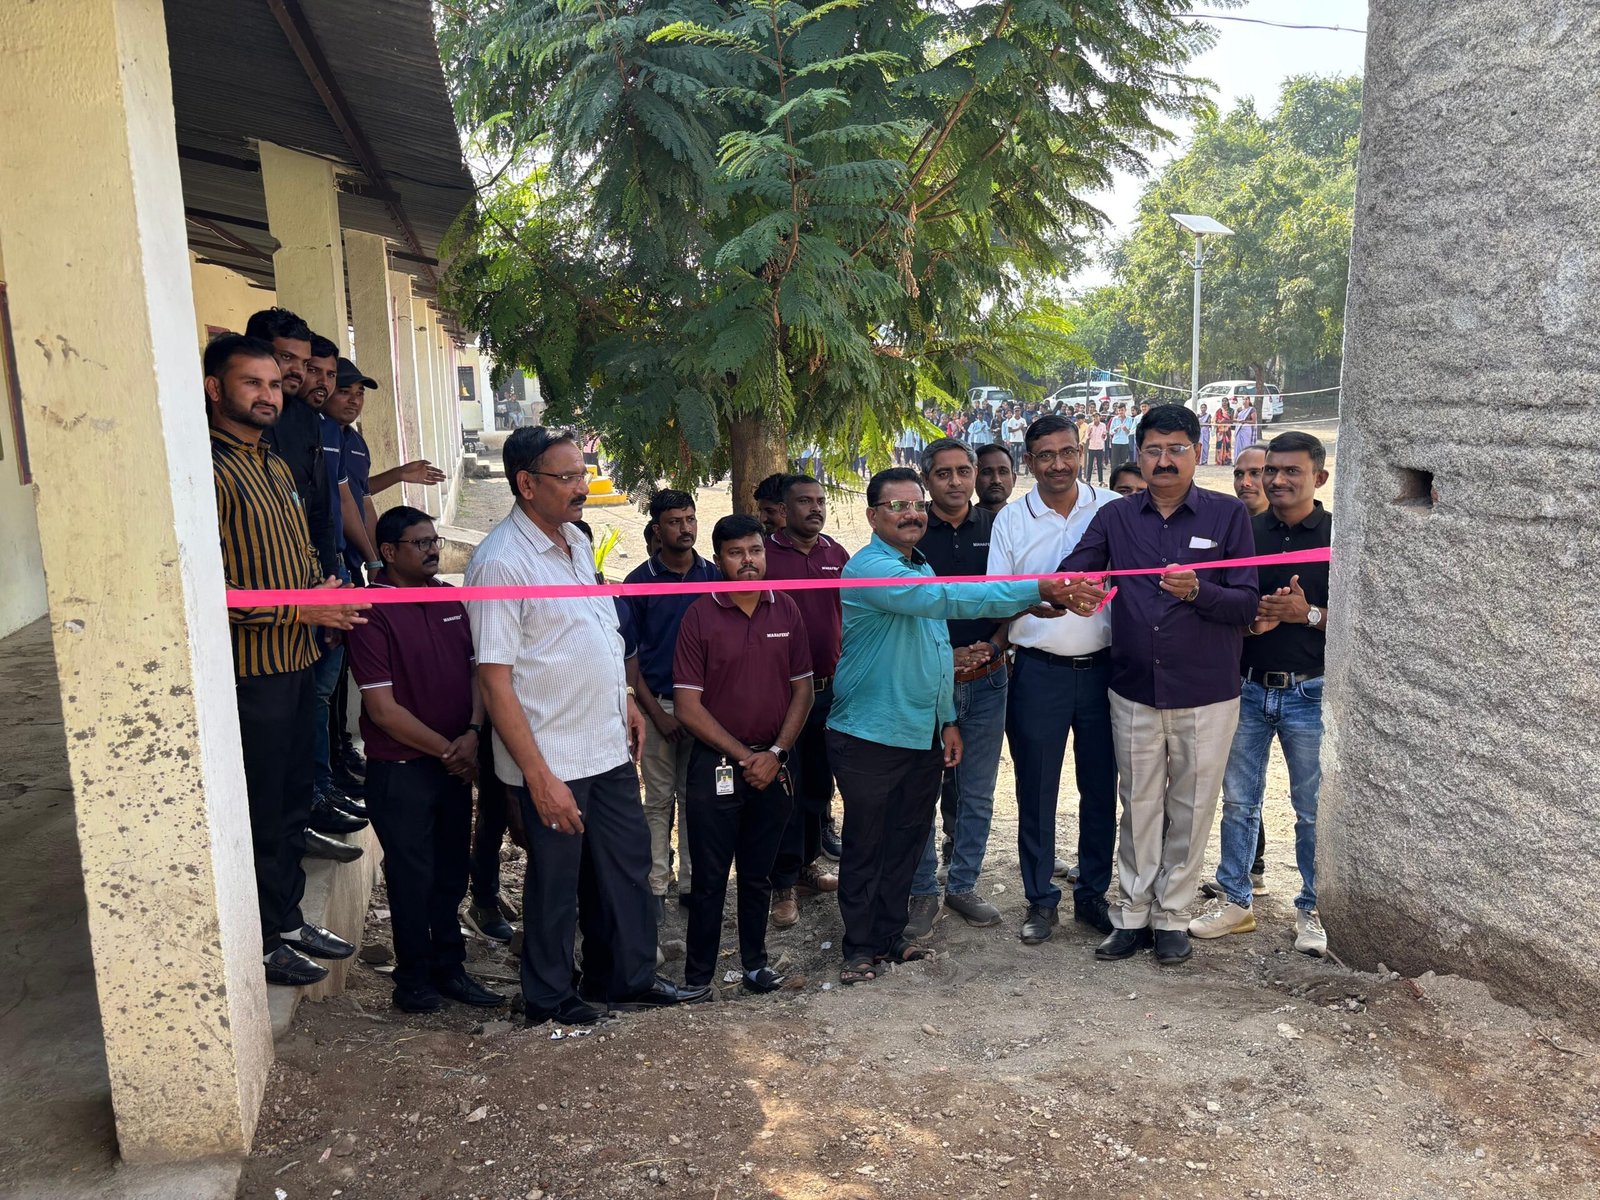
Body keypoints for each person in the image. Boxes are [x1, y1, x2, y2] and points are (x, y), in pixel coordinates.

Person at [466, 427, 692, 1024]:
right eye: (567, 477)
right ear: (526, 484)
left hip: (608, 742)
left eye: (582, 472)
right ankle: (547, 996)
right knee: (556, 885)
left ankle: (626, 979)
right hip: (551, 754)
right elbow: (496, 679)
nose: (582, 487)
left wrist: (627, 702)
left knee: (624, 869)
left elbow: (595, 634)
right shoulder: (499, 562)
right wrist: (538, 777)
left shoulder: (572, 540)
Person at [826, 469, 1078, 985]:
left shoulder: (915, 564)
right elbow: (942, 600)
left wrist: (946, 722)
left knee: (906, 837)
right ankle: (858, 949)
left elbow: (935, 651)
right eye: (896, 507)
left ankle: (891, 936)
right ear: (872, 516)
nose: (911, 514)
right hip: (869, 732)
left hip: (921, 729)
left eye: (915, 505)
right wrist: (1037, 586)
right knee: (867, 842)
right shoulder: (872, 568)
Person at [1058, 405, 1258, 966]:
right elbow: (1080, 565)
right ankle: (1131, 917)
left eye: (1176, 448)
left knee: (1192, 807)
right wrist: (1075, 584)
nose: (1164, 460)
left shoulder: (1227, 517)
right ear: (1137, 453)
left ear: (1197, 452)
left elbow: (1245, 601)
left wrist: (1200, 591)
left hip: (1207, 691)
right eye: (1152, 449)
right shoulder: (1117, 517)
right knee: (1138, 805)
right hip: (1134, 688)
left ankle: (1173, 917)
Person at [207, 333, 371, 987]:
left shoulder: (273, 464)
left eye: (275, 384)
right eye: (252, 383)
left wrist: (322, 596)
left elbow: (300, 552)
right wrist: (297, 611)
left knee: (296, 798)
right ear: (217, 389)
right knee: (264, 811)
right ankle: (265, 937)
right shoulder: (210, 472)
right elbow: (205, 591)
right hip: (253, 672)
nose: (268, 395)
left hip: (299, 658)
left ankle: (288, 918)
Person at [345, 506, 506, 1012]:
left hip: (456, 764)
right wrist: (449, 749)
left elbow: (477, 673)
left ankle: (450, 968)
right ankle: (411, 980)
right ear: (389, 552)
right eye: (419, 543)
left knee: (451, 872)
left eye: (434, 540)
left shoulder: (450, 599)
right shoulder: (371, 610)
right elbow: (383, 710)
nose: (433, 549)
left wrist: (474, 734)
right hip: (402, 771)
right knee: (412, 878)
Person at [1190, 432, 1331, 956]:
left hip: (1312, 695)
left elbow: (1366, 625)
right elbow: (1228, 612)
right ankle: (1235, 900)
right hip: (1247, 691)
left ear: (1318, 477)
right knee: (1239, 804)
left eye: (1290, 471)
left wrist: (1307, 614)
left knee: (1313, 810)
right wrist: (1251, 627)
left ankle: (1315, 909)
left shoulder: (1342, 534)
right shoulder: (1245, 534)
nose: (1276, 480)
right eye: (1271, 470)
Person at [673, 515, 815, 997]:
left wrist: (775, 753)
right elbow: (688, 707)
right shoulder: (699, 615)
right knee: (710, 879)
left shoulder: (787, 611)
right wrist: (743, 756)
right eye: (736, 553)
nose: (748, 561)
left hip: (774, 767)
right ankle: (697, 979)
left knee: (758, 874)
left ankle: (755, 966)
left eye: (755, 551)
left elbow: (803, 692)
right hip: (715, 766)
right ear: (720, 560)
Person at [990, 415, 1119, 943]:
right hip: (1038, 673)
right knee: (1036, 790)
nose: (1059, 464)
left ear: (1082, 452)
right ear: (1030, 462)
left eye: (1068, 452)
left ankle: (1092, 894)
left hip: (1108, 673)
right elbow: (997, 595)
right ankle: (1040, 899)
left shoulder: (1112, 508)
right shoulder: (1012, 520)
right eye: (1046, 455)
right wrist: (1045, 599)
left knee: (1100, 787)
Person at [904, 440, 1016, 935]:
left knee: (977, 791)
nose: (956, 481)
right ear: (927, 479)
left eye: (964, 471)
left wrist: (993, 646)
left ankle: (964, 883)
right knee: (922, 787)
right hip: (925, 682)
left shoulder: (1000, 528)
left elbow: (1015, 596)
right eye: (944, 473)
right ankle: (924, 890)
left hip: (989, 676)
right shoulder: (910, 533)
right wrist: (942, 658)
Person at [622, 490, 722, 922]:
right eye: (675, 521)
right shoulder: (637, 583)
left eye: (690, 519)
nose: (685, 528)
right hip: (656, 707)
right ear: (657, 529)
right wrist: (657, 715)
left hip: (707, 712)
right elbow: (630, 658)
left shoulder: (716, 577)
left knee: (698, 799)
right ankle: (656, 887)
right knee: (659, 800)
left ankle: (693, 886)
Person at [763, 474, 846, 922]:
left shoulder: (837, 554)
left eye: (820, 501)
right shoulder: (765, 555)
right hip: (781, 697)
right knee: (784, 789)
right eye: (804, 502)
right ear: (785, 507)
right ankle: (781, 885)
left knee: (818, 786)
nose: (815, 509)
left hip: (829, 693)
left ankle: (807, 866)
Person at [244, 308, 339, 580]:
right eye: (286, 357)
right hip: (250, 585)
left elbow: (320, 509)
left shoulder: (308, 421)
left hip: (305, 577)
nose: (297, 370)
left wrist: (331, 576)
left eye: (304, 362)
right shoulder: (224, 420)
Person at [975, 443, 1017, 514]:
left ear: (1014, 479)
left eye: (1003, 472)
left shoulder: (1025, 522)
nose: (996, 480)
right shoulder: (960, 523)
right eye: (986, 473)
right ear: (973, 479)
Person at [1232, 445, 1269, 517]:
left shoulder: (1291, 525)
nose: (1245, 482)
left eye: (1255, 473)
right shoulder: (1223, 523)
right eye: (1239, 474)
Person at [1083, 412, 1109, 484]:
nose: (1095, 418)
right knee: (1090, 464)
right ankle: (1088, 480)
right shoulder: (1090, 425)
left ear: (1099, 417)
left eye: (1097, 417)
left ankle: (1100, 480)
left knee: (1099, 464)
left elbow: (1105, 436)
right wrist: (1089, 433)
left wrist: (1104, 435)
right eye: (1094, 417)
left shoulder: (1103, 425)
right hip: (1092, 447)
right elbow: (1086, 436)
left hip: (1100, 447)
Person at [1108, 403, 1135, 470]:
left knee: (1123, 462)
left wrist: (1126, 429)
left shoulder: (1129, 419)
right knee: (1114, 462)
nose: (1120, 412)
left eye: (1122, 410)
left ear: (1125, 410)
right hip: (1116, 442)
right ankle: (1114, 477)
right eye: (1119, 410)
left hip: (1125, 442)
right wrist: (1115, 430)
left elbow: (1131, 432)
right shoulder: (1114, 419)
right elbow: (1110, 431)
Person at [1214, 402, 1235, 467]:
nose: (1224, 402)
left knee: (1227, 444)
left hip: (1227, 429)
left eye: (1226, 401)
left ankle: (1227, 459)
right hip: (1219, 430)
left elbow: (1232, 421)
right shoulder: (1218, 411)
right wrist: (1220, 422)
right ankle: (1219, 460)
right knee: (1219, 444)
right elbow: (1215, 420)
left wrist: (1224, 421)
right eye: (1223, 401)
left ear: (1228, 402)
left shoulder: (1231, 410)